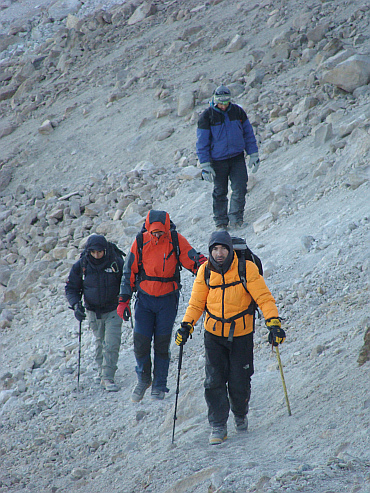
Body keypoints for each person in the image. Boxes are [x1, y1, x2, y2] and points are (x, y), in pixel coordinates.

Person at [175, 230, 286, 445]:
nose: (219, 253)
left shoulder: (246, 268)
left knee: (239, 381)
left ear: (230, 250)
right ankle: (218, 424)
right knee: (214, 381)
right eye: (215, 249)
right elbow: (197, 304)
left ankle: (240, 413)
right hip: (214, 335)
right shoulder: (205, 272)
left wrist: (273, 322)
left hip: (242, 335)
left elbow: (263, 297)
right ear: (210, 251)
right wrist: (186, 326)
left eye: (223, 249)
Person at [117, 210, 207, 402]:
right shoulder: (140, 241)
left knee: (162, 344)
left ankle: (159, 384)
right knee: (141, 342)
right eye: (154, 232)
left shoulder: (175, 239)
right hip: (145, 299)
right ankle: (143, 378)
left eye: (160, 232)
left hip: (167, 299)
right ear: (148, 229)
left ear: (166, 228)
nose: (157, 235)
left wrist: (209, 269)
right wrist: (123, 300)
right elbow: (129, 271)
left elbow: (193, 261)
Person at [65, 234, 124, 392]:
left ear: (105, 250)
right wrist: (76, 305)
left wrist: (126, 299)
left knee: (111, 343)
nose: (97, 255)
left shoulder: (115, 262)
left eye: (100, 252)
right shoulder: (82, 265)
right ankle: (101, 371)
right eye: (93, 252)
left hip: (114, 310)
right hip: (93, 312)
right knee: (100, 343)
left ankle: (107, 377)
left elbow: (126, 281)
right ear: (89, 251)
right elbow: (71, 288)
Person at [196, 84, 260, 229]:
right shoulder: (206, 117)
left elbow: (248, 134)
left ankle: (236, 219)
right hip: (218, 161)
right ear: (214, 100)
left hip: (237, 158)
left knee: (240, 188)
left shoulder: (237, 112)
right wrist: (205, 166)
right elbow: (202, 143)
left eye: (226, 102)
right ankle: (221, 223)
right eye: (220, 102)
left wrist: (253, 154)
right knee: (220, 191)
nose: (223, 106)